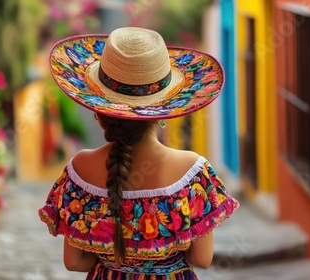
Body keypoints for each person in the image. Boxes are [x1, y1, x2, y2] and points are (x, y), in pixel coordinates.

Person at [38, 27, 240, 279]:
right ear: (164, 112)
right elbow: (202, 258)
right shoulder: (193, 172)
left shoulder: (79, 169)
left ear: (99, 114)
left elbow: (74, 261)